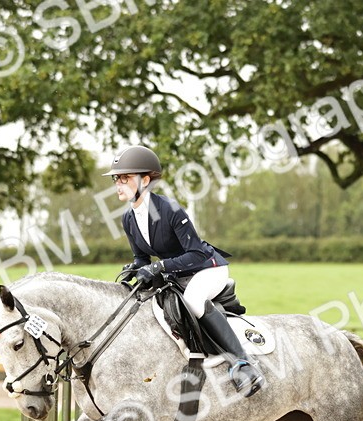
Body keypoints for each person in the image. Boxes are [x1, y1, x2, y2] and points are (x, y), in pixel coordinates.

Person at [106, 145, 264, 397]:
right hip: (179, 274)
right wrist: (133, 268)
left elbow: (196, 253)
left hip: (208, 268)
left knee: (193, 300)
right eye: (117, 179)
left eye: (125, 178)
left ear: (145, 180)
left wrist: (159, 266)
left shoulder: (169, 209)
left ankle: (243, 364)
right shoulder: (128, 218)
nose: (118, 184)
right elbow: (141, 257)